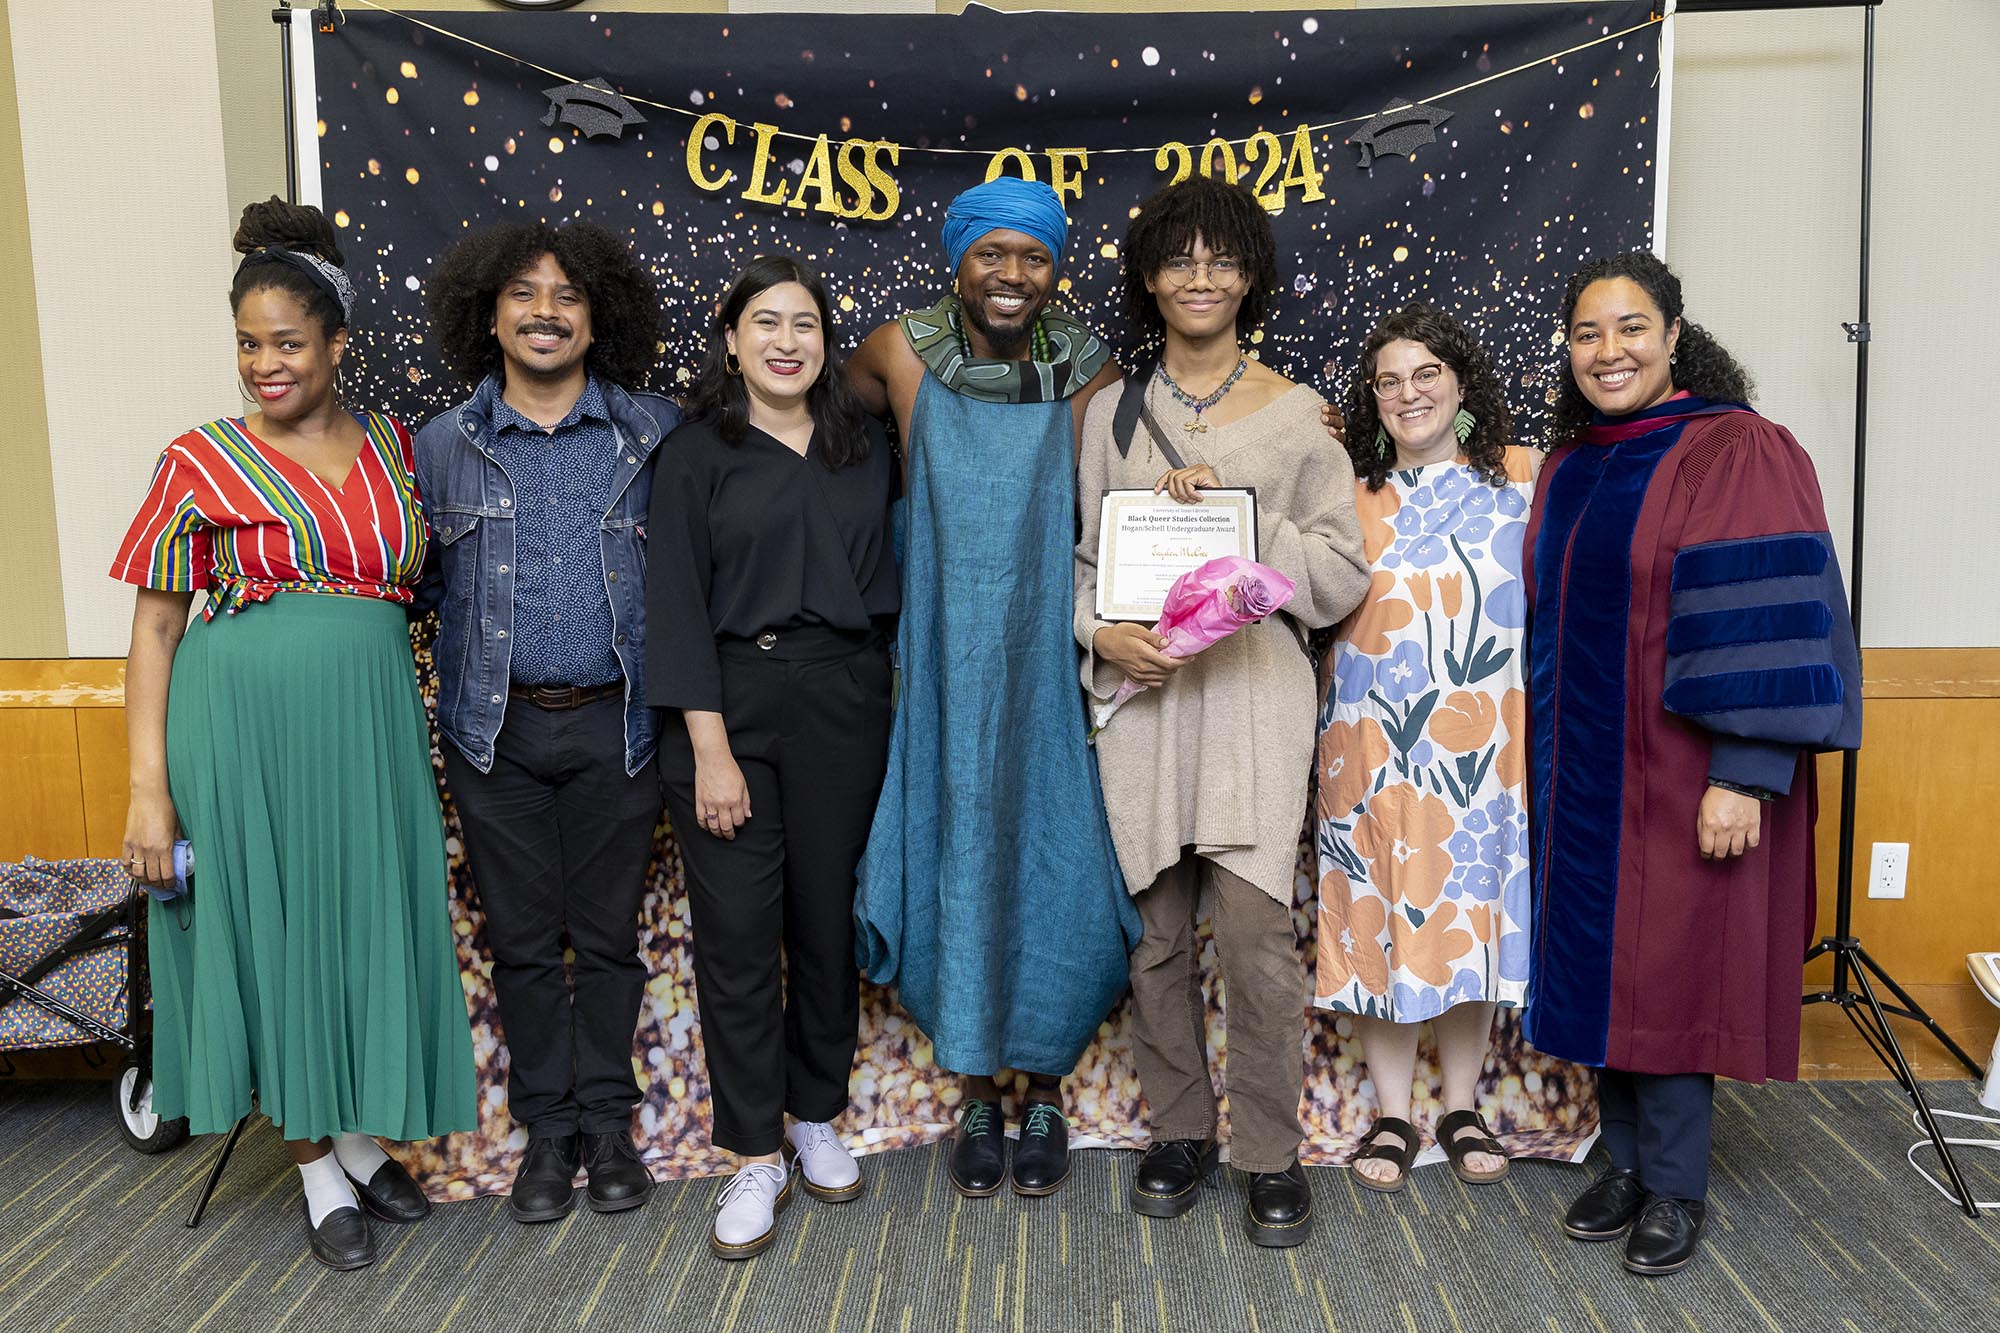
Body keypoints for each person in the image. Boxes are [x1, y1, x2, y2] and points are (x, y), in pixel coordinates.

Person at [113, 198, 474, 1271]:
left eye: (287, 342)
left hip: (367, 729)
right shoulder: (198, 459)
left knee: (359, 922)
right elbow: (155, 626)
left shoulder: (401, 448)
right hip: (241, 729)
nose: (264, 364)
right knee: (274, 932)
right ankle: (318, 1164)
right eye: (247, 344)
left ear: (337, 343)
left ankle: (361, 1137)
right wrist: (146, 788)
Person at [1524, 250, 1860, 1276]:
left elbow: (1770, 615)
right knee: (1599, 968)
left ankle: (1673, 1186)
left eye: (1629, 327)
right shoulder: (1573, 461)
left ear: (1672, 335)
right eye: (1586, 333)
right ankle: (1621, 1161)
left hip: (1681, 774)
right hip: (1580, 772)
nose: (1606, 350)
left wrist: (1744, 770)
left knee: (1666, 968)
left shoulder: (1736, 451)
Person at [1073, 176, 1368, 1245]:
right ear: (1148, 278)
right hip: (1146, 707)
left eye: (1221, 258)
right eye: (1178, 259)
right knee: (1151, 940)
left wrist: (1249, 534)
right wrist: (1099, 635)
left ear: (1251, 276)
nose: (1200, 277)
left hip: (1250, 701)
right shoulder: (1105, 415)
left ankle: (1268, 1152)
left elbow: (1338, 573)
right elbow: (1080, 563)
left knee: (1253, 939)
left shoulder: (1298, 416)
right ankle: (1179, 1131)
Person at [847, 176, 1139, 1199]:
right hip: (937, 655)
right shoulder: (892, 354)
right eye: (991, 254)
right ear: (957, 258)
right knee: (958, 847)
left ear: (1054, 269)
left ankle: (1045, 1085)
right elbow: (799, 436)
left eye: (1034, 257)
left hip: (1045, 654)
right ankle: (976, 1086)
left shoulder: (1091, 372)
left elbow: (1144, 485)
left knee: (1050, 849)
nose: (1012, 275)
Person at [416, 220, 679, 1224]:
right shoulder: (443, 445)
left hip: (621, 728)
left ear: (595, 316)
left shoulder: (652, 432)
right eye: (523, 292)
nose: (544, 311)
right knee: (523, 942)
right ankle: (547, 1132)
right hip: (495, 734)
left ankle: (609, 1126)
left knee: (608, 939)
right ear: (489, 313)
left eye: (567, 295)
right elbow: (423, 588)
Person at [645, 255, 897, 1258]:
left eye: (803, 322)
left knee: (825, 925)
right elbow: (672, 602)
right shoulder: (695, 451)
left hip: (843, 699)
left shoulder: (861, 443)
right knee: (740, 938)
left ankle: (814, 1114)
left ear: (825, 343)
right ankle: (753, 1152)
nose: (785, 340)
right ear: (731, 339)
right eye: (764, 322)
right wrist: (709, 750)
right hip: (728, 710)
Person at [1313, 302, 1539, 1193]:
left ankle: (1462, 1103)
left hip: (1486, 754)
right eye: (1390, 380)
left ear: (1461, 383)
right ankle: (1393, 1115)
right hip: (1369, 750)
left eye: (1426, 374)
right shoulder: (1347, 489)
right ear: (1371, 399)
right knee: (1381, 924)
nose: (1409, 393)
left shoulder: (1524, 479)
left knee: (1468, 923)